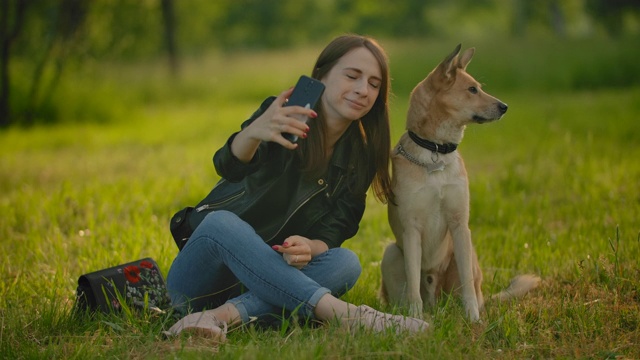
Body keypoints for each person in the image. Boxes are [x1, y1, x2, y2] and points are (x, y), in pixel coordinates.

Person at [164, 34, 429, 341]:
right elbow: (229, 166)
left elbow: (338, 226)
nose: (362, 90)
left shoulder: (361, 154)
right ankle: (344, 314)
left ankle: (218, 317)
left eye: (373, 83)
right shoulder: (283, 115)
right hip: (202, 278)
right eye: (352, 76)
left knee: (346, 263)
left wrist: (310, 247)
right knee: (221, 224)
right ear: (322, 76)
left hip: (269, 277)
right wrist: (253, 133)